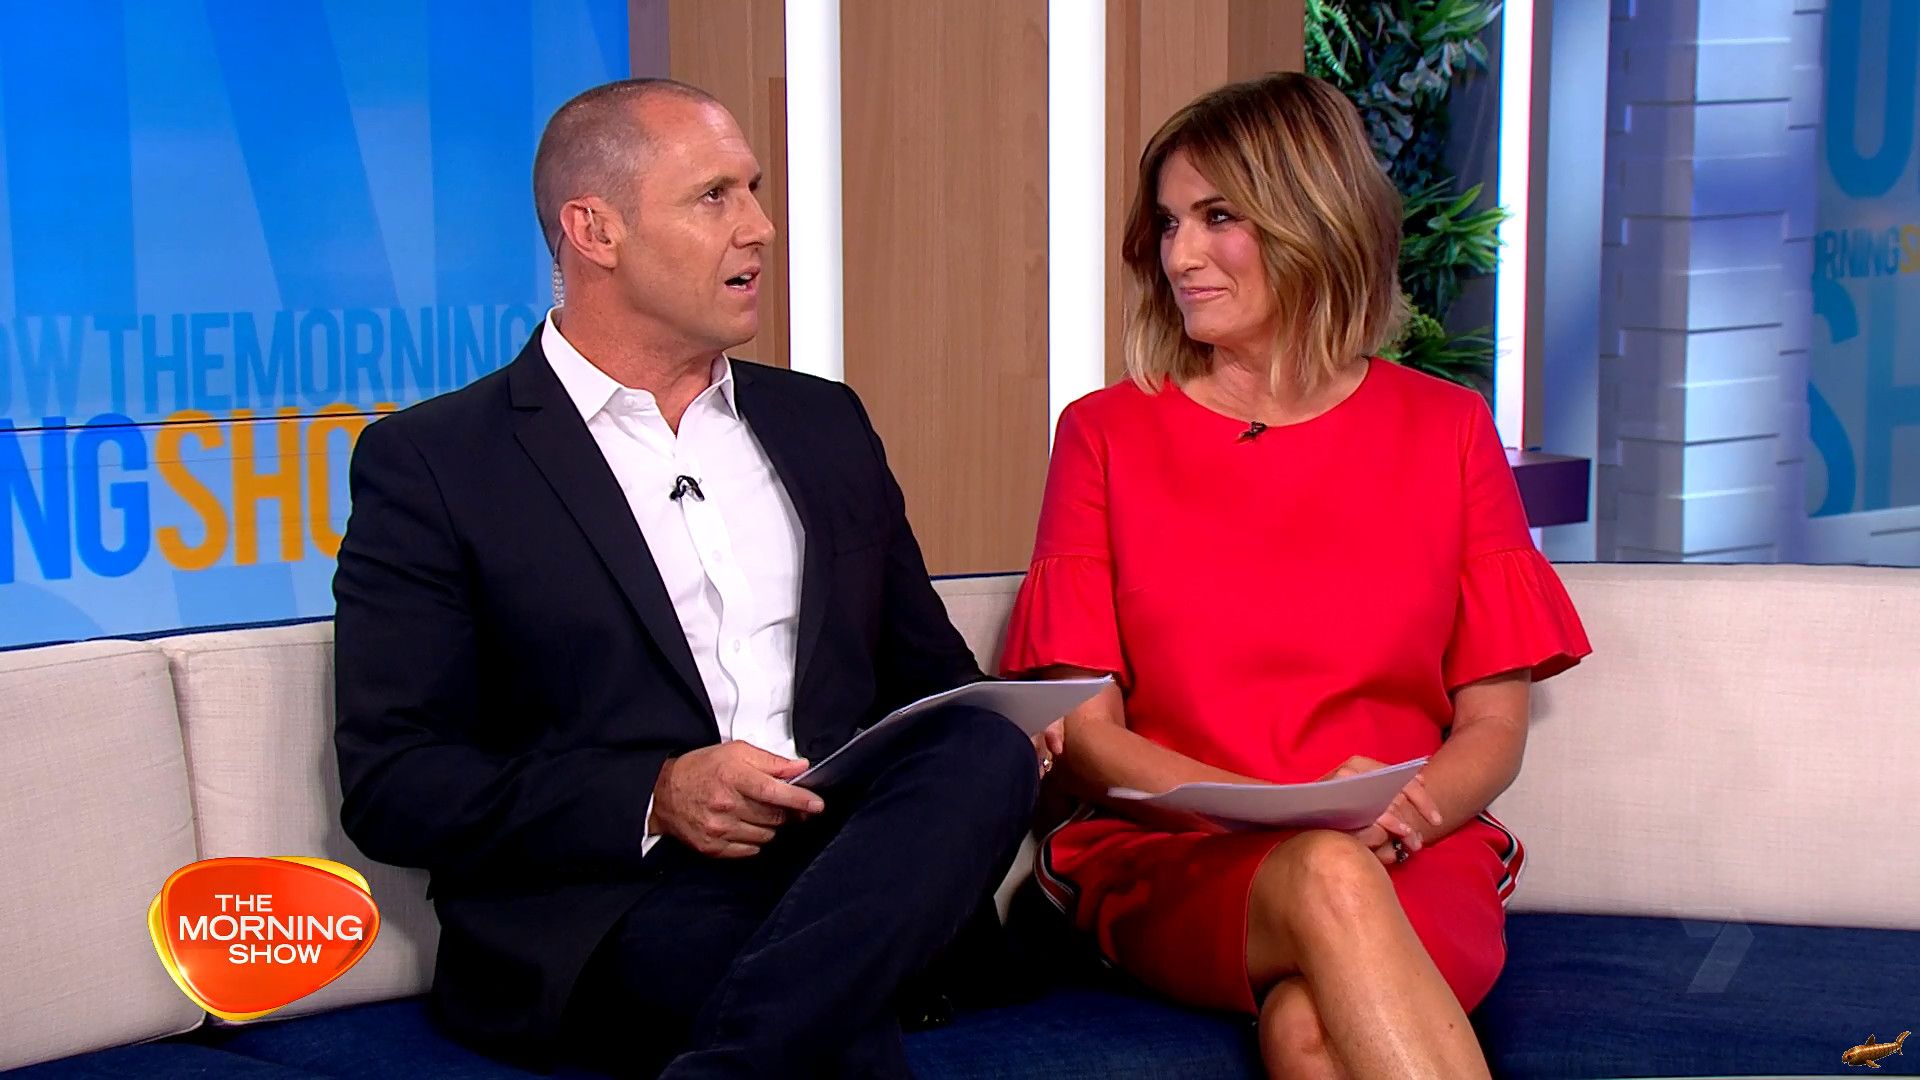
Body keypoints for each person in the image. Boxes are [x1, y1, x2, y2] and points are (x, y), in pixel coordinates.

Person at [332, 78, 1050, 1079]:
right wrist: (657, 795)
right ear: (595, 230)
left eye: (753, 190)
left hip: (847, 869)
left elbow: (929, 679)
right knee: (821, 1023)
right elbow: (396, 782)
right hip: (622, 903)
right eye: (714, 196)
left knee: (982, 745)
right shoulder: (438, 462)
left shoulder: (823, 422)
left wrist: (1023, 719)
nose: (758, 227)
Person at [998, 72, 1593, 1080]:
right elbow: (1090, 743)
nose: (1180, 255)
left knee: (1310, 1033)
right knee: (1323, 872)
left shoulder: (1447, 429)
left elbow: (1493, 727)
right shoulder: (1103, 434)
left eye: (1217, 218)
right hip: (1180, 851)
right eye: (1169, 223)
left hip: (1410, 844)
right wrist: (1291, 810)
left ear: (1311, 219)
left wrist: (1405, 814)